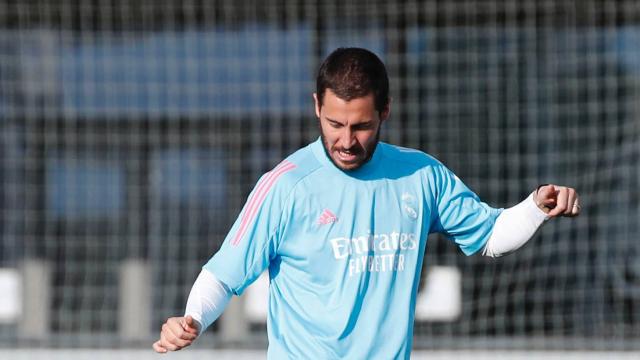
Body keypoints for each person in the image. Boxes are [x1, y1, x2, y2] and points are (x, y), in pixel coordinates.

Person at [152, 47, 580, 359]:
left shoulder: (421, 175)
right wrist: (190, 320)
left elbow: (490, 237)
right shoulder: (286, 186)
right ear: (316, 106)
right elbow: (223, 275)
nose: (346, 140)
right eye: (334, 123)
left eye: (361, 126)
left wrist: (534, 208)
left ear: (386, 112)